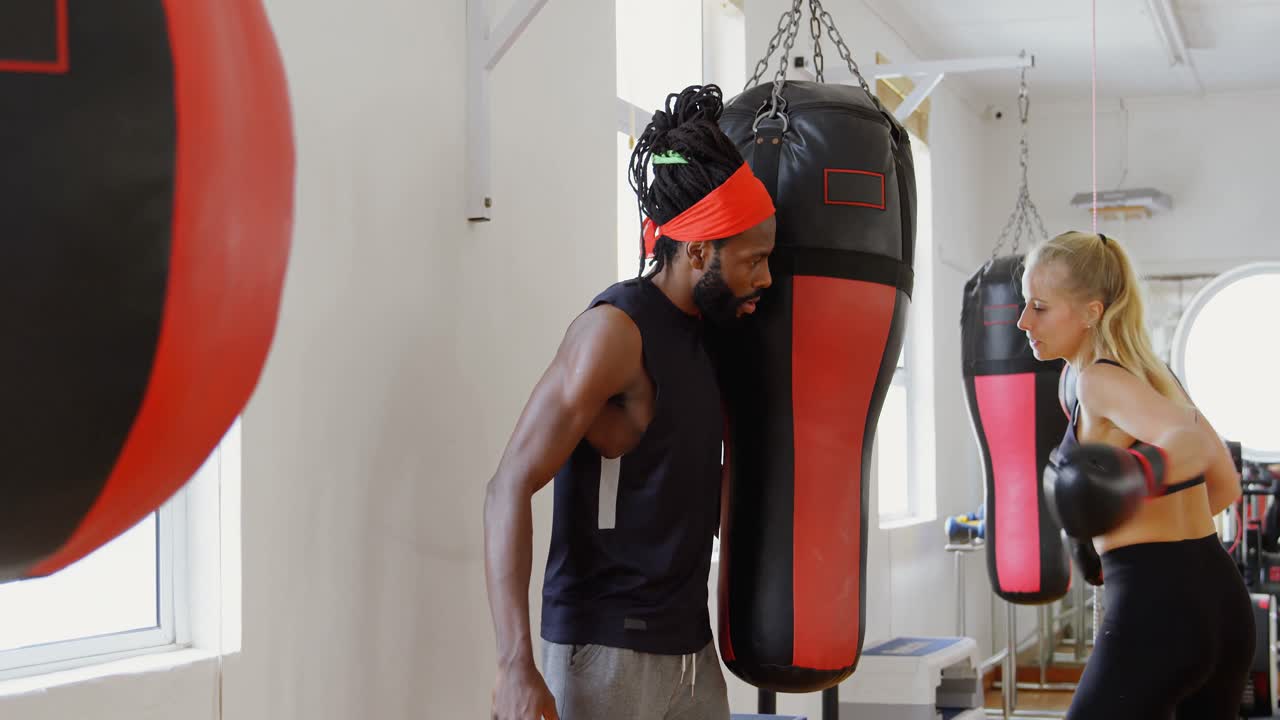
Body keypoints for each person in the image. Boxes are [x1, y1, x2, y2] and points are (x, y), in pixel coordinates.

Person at [484, 85, 777, 720]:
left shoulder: (709, 338)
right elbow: (507, 484)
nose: (766, 278)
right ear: (698, 250)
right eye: (754, 260)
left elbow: (686, 485)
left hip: (691, 655)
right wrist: (514, 664)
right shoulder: (615, 333)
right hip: (604, 654)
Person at [1019, 230, 1254, 718]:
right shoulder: (1154, 373)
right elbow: (1225, 483)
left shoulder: (1098, 379)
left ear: (1092, 311)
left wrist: (1131, 489)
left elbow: (1185, 442)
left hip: (1158, 604)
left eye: (1040, 307)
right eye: (1026, 304)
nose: (1023, 321)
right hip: (1220, 599)